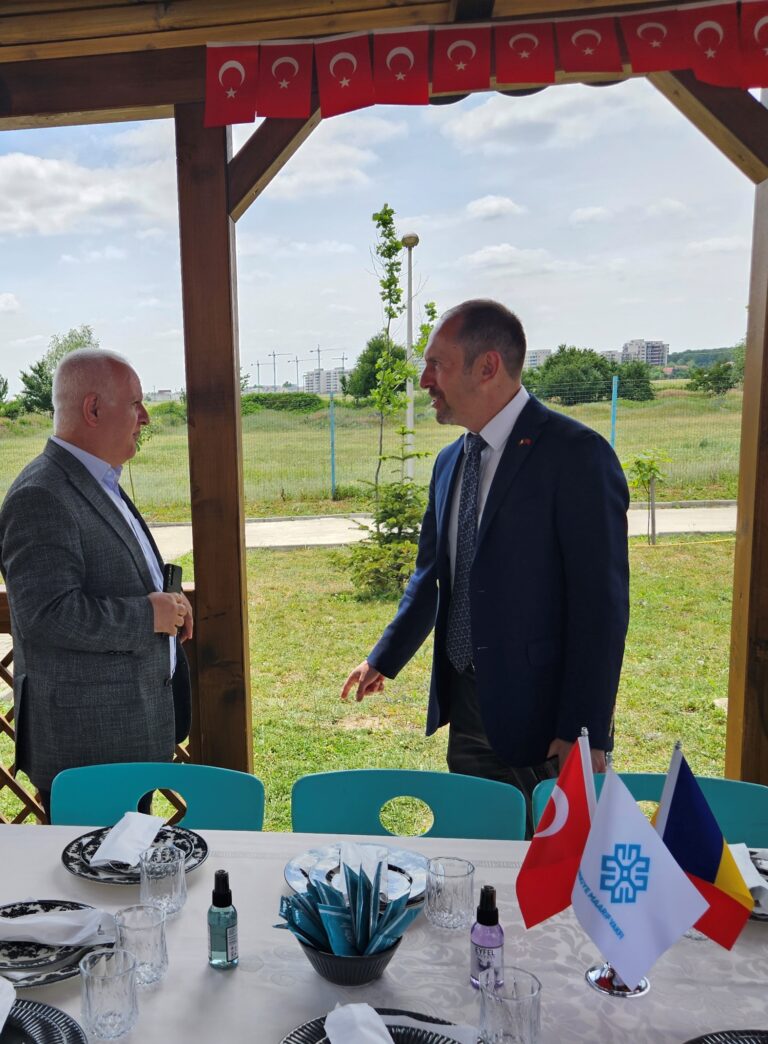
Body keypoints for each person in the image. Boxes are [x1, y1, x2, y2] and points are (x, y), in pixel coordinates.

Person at [341, 300, 629, 832]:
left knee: (549, 861)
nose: (424, 380)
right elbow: (432, 576)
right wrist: (383, 656)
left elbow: (601, 608)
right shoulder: (450, 461)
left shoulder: (576, 456)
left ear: (487, 366)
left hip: (545, 722)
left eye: (437, 364)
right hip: (468, 707)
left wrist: (583, 731)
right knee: (479, 846)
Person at [0, 349, 193, 817]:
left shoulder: (93, 479)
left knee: (128, 859)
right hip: (88, 748)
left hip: (125, 735)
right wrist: (149, 615)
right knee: (97, 863)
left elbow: (116, 573)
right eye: (135, 403)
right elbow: (47, 614)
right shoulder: (41, 495)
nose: (146, 417)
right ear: (93, 409)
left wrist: (170, 602)